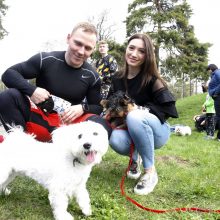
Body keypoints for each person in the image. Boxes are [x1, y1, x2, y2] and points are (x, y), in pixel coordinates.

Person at [0, 22, 111, 142]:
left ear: (93, 49)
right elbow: (8, 74)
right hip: (39, 120)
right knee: (7, 96)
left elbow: (98, 107)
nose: (81, 51)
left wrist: (83, 108)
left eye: (88, 48)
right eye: (78, 43)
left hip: (68, 126)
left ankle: (77, 156)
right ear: (69, 38)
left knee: (102, 126)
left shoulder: (92, 76)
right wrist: (32, 90)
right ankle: (21, 145)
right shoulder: (46, 59)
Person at [108, 33, 178, 195]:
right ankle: (134, 160)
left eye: (141, 51)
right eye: (131, 48)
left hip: (158, 132)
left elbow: (169, 109)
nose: (134, 54)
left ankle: (150, 172)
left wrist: (137, 110)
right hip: (130, 130)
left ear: (147, 56)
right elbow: (111, 103)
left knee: (135, 116)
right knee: (114, 138)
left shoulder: (152, 79)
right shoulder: (117, 78)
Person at [207, 64, 220, 141]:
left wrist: (216, 93)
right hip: (217, 96)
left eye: (208, 70)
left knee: (219, 116)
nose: (209, 72)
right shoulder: (216, 74)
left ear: (211, 69)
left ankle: (219, 137)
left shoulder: (217, 73)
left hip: (218, 96)